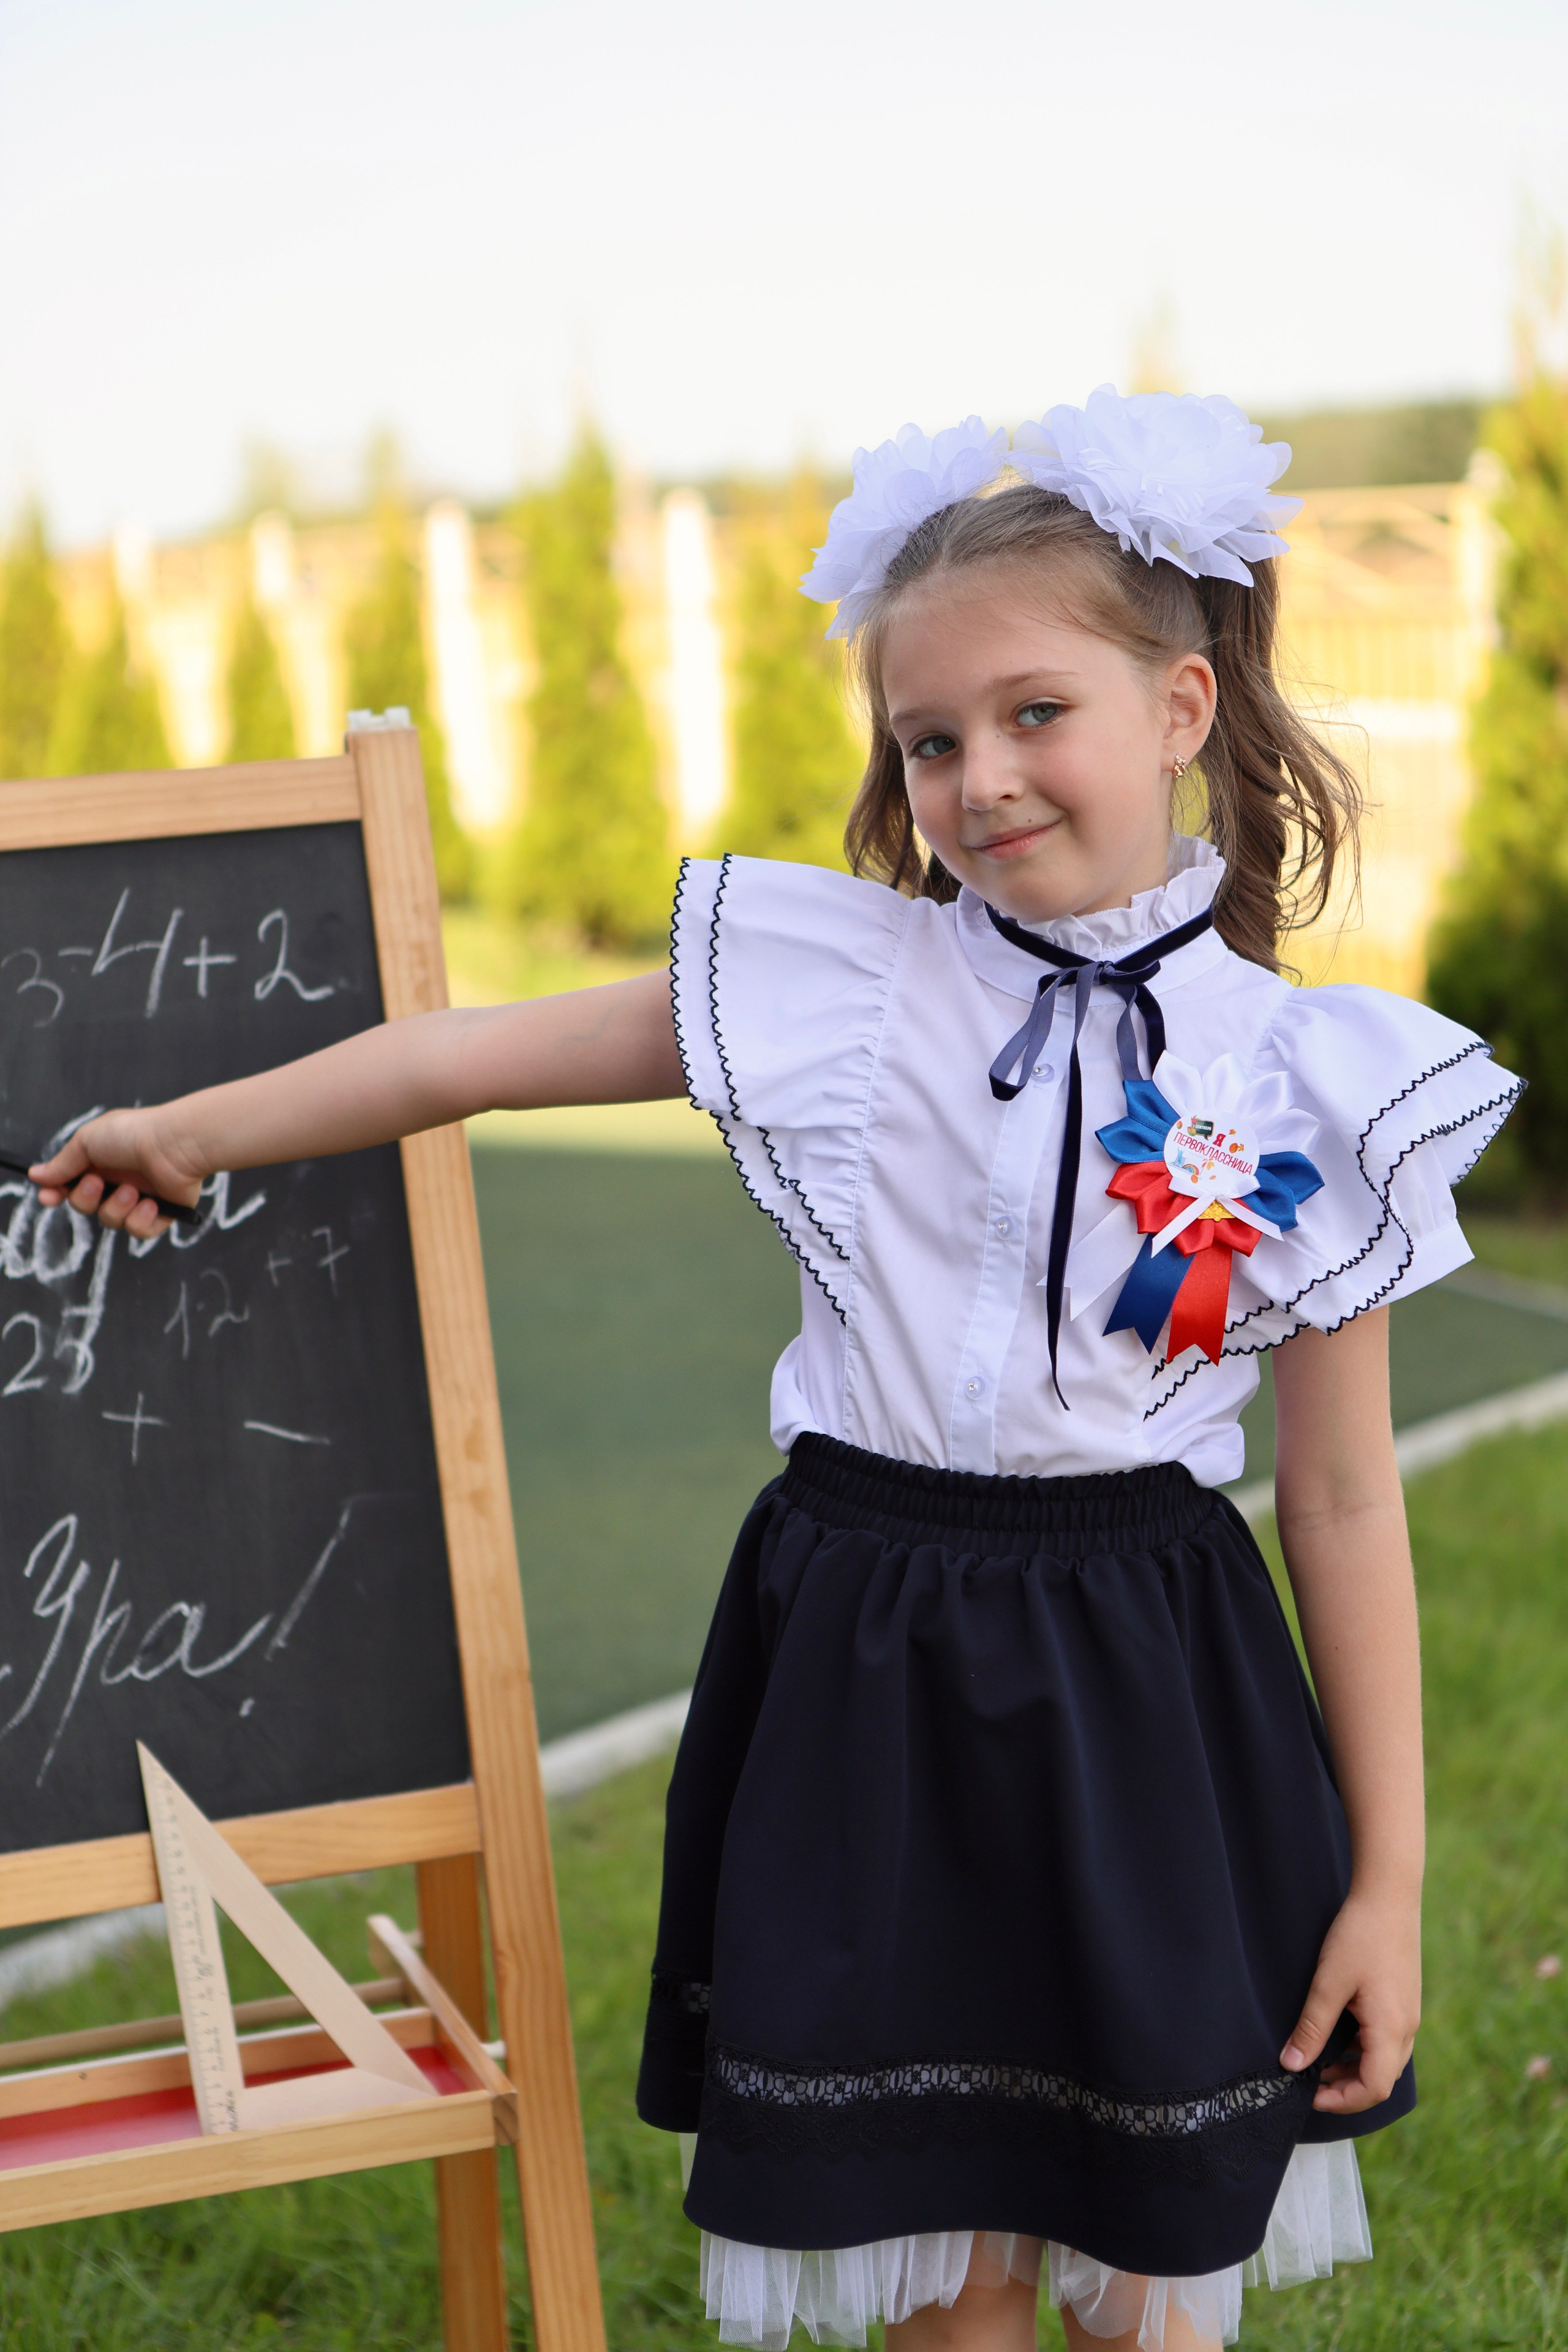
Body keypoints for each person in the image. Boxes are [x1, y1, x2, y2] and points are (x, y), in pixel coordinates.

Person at [34, 389, 1519, 2352]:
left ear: (1181, 706)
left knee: (1154, 2274)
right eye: (927, 739)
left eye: (1031, 713)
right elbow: (469, 1054)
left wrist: (1387, 1881)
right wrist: (204, 1125)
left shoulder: (1319, 1081)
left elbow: (1334, 1497)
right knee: (944, 2268)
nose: (976, 776)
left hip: (1153, 1691)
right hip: (869, 1661)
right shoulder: (838, 988)